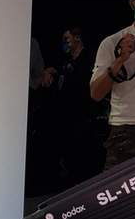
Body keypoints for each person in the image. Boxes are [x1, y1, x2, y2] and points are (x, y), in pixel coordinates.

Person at [89, 0, 135, 219]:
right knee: (115, 202)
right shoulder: (113, 42)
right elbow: (95, 93)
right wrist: (121, 59)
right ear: (132, 3)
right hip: (125, 128)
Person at [41, 26, 108, 186]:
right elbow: (55, 70)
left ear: (77, 38)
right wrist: (47, 72)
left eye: (67, 39)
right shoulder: (65, 59)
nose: (64, 43)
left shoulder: (91, 57)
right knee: (70, 149)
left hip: (87, 114)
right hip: (68, 114)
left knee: (85, 151)